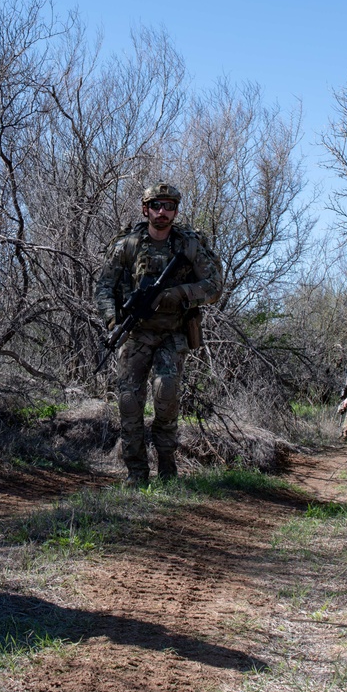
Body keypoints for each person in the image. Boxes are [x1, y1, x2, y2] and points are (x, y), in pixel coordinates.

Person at [95, 182, 222, 487]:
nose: (162, 212)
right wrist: (113, 320)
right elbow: (104, 287)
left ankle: (167, 472)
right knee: (129, 403)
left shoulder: (188, 245)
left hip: (172, 333)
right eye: (156, 206)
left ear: (176, 210)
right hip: (135, 334)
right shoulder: (128, 244)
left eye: (168, 206)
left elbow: (213, 287)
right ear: (145, 209)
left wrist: (177, 294)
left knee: (166, 396)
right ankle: (136, 474)